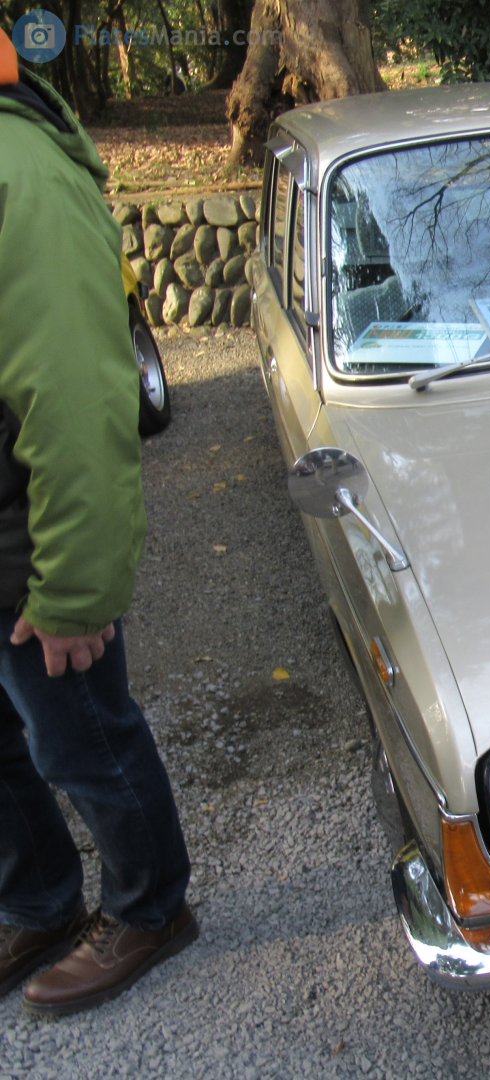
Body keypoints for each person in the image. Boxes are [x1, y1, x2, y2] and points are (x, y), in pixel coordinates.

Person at [0, 26, 196, 1016]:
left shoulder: (20, 171)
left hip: (23, 542)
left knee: (80, 737)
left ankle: (150, 906)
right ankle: (37, 905)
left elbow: (79, 392)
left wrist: (75, 589)